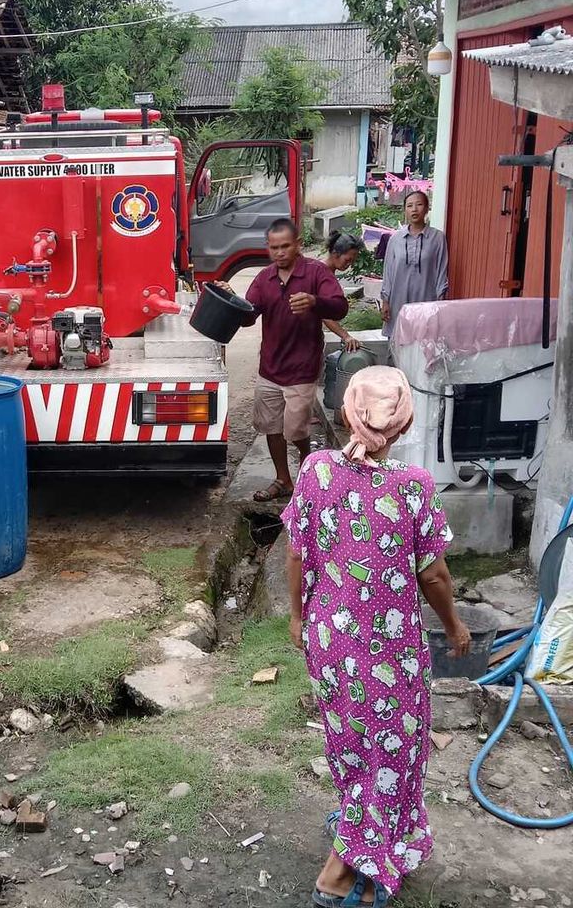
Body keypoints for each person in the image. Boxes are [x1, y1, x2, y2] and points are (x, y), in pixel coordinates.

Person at [281, 366, 471, 908]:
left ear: (347, 414)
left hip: (330, 643)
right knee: (390, 752)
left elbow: (296, 552)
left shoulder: (316, 471)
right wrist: (455, 626)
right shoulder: (413, 486)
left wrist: (297, 618)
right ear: (405, 423)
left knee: (351, 744)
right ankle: (341, 873)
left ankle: (366, 836)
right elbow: (432, 574)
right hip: (390, 650)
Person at [228, 219, 349, 502]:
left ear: (298, 245)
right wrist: (231, 299)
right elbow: (248, 317)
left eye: (285, 246)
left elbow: (341, 307)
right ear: (268, 248)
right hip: (270, 367)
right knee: (270, 427)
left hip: (301, 368)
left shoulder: (316, 273)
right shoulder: (264, 279)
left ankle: (312, 474)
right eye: (274, 248)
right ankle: (284, 480)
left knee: (295, 429)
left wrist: (315, 302)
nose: (279, 253)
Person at [380, 192, 448, 339]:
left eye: (419, 204)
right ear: (405, 210)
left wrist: (440, 302)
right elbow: (388, 271)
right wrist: (385, 300)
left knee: (424, 342)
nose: (414, 209)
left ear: (427, 208)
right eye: (409, 206)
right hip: (398, 300)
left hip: (426, 300)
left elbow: (442, 270)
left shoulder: (438, 238)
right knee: (398, 342)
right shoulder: (395, 239)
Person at [324, 231, 365, 352]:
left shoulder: (328, 272)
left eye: (352, 261)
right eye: (347, 260)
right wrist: (345, 336)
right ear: (335, 253)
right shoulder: (322, 273)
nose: (349, 264)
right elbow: (324, 314)